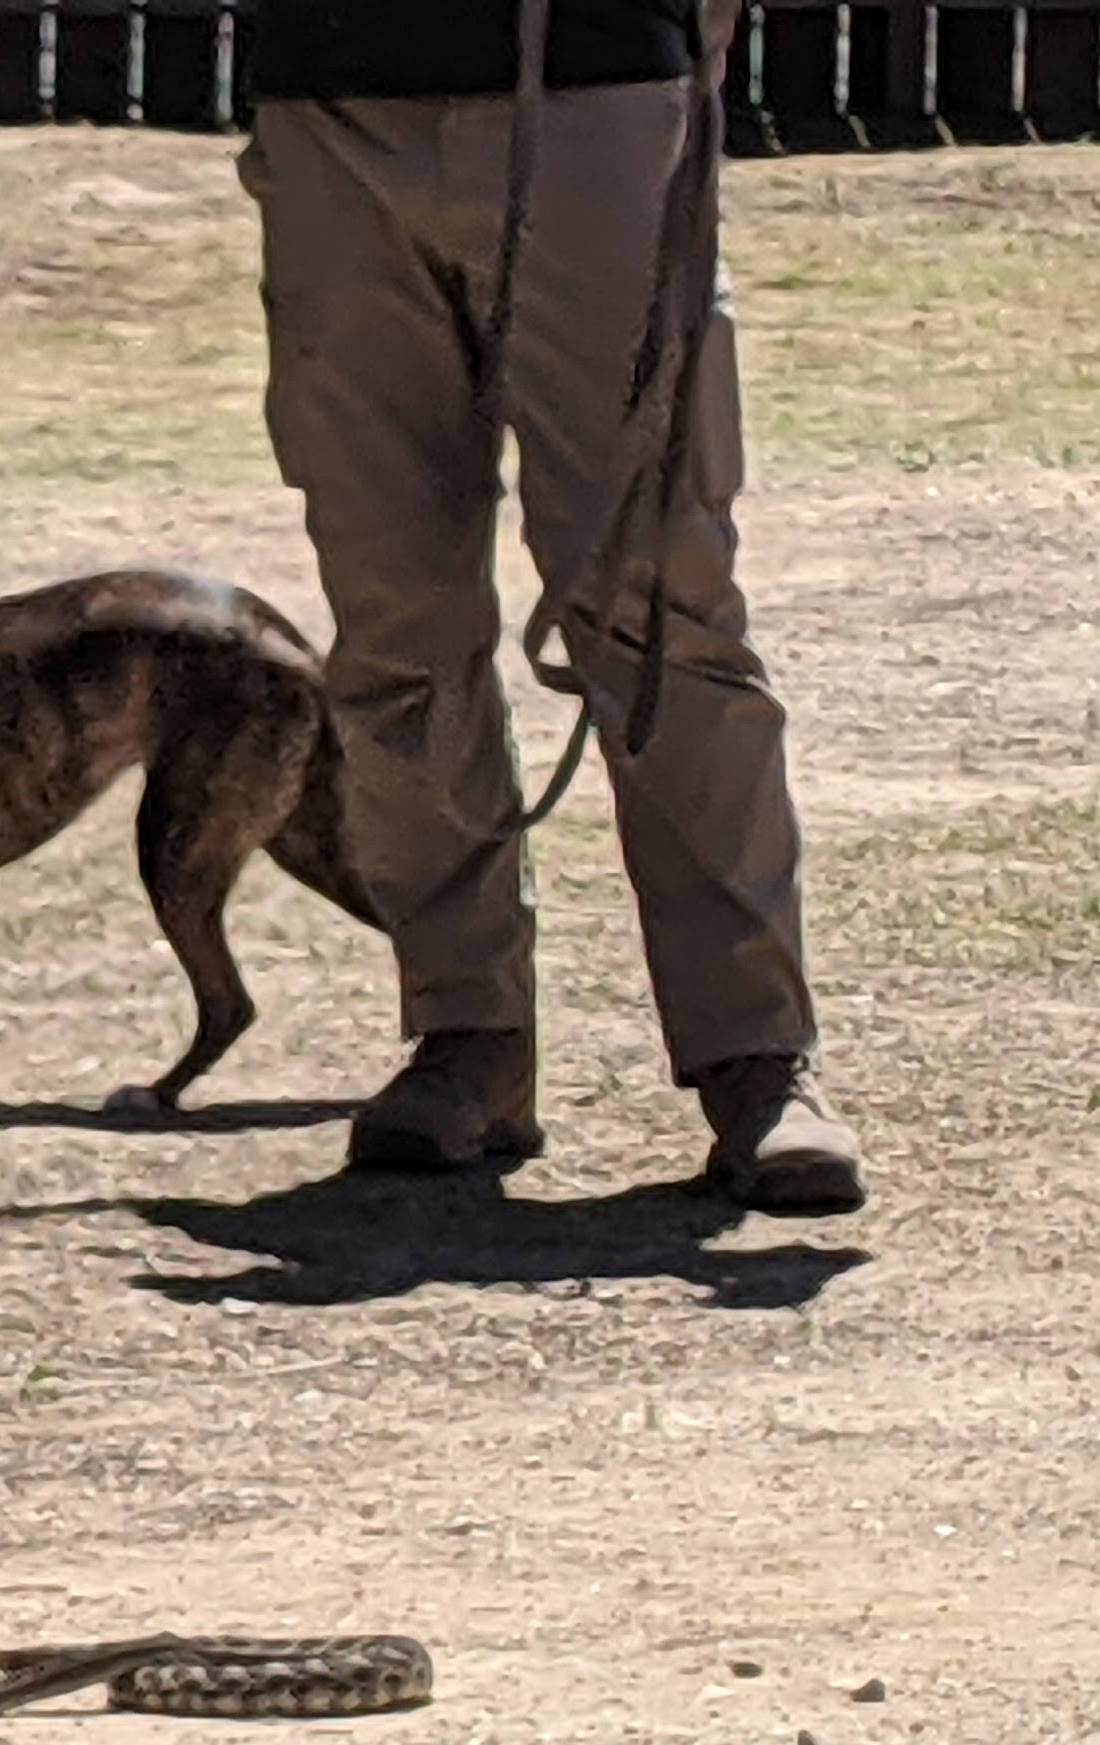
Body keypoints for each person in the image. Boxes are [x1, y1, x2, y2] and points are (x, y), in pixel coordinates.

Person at [236, 0, 865, 1216]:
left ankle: (756, 1052)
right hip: (326, 105)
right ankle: (467, 1034)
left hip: (589, 90)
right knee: (393, 610)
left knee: (655, 605)